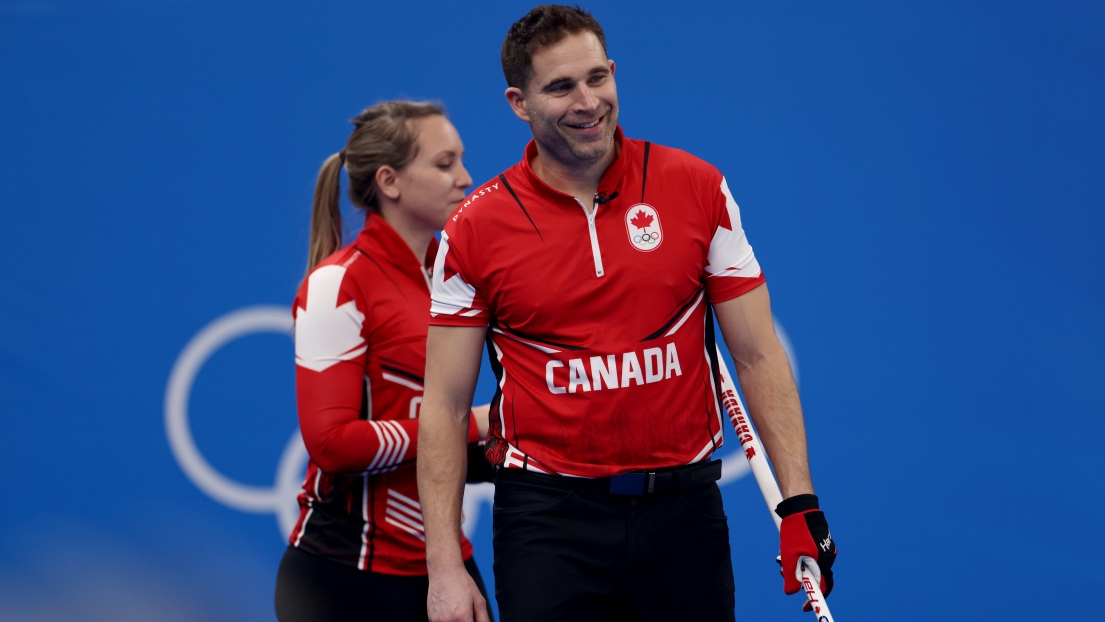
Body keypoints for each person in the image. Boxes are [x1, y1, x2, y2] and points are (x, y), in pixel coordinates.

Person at [417, 5, 838, 622]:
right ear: (519, 101)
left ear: (614, 71)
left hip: (682, 511)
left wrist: (800, 504)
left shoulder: (696, 187)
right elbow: (447, 406)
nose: (587, 101)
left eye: (596, 78)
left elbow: (756, 354)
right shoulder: (475, 226)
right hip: (547, 519)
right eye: (560, 87)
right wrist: (444, 568)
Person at [275, 101, 496, 622]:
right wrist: (472, 426)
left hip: (445, 565)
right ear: (390, 181)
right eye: (444, 164)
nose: (465, 179)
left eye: (462, 161)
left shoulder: (461, 278)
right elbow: (331, 445)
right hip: (343, 577)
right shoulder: (338, 283)